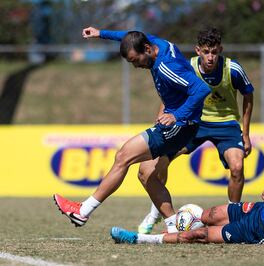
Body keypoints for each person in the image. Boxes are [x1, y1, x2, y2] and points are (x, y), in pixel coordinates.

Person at [94, 27, 254, 234]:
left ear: (220, 50)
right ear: (198, 51)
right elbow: (170, 96)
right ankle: (156, 214)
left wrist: (246, 133)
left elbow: (248, 95)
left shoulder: (233, 69)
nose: (210, 57)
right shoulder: (187, 66)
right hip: (193, 122)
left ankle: (233, 218)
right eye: (206, 52)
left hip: (226, 124)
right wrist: (161, 122)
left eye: (214, 52)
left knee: (237, 168)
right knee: (156, 165)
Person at [53, 27, 211, 233]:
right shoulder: (158, 44)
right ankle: (174, 226)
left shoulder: (167, 66)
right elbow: (129, 35)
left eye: (135, 60)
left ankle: (83, 211)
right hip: (179, 124)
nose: (135, 66)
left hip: (180, 126)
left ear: (147, 49)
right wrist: (101, 33)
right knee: (147, 175)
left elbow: (201, 89)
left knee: (123, 156)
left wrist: (176, 115)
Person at [109, 123, 264, 245]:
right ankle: (175, 227)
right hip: (261, 210)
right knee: (210, 213)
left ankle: (139, 239)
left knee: (200, 234)